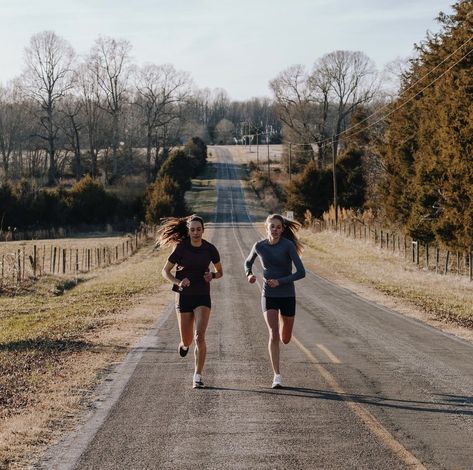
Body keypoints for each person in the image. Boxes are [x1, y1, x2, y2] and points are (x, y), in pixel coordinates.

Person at [158, 215, 223, 389]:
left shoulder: (210, 249)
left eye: (198, 229)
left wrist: (212, 275)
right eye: (192, 229)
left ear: (203, 230)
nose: (195, 233)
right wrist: (179, 282)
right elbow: (165, 271)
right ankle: (184, 345)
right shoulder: (181, 248)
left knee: (199, 336)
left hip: (202, 296)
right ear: (188, 231)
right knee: (187, 340)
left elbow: (220, 272)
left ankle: (198, 375)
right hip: (184, 296)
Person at [245, 213, 305, 389]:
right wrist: (249, 275)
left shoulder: (288, 246)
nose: (275, 230)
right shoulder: (259, 246)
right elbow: (247, 263)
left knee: (285, 338)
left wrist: (281, 281)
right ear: (266, 228)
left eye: (279, 227)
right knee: (274, 334)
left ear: (283, 229)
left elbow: (301, 272)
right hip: (269, 294)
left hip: (287, 295)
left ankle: (284, 329)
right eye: (272, 226)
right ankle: (277, 375)